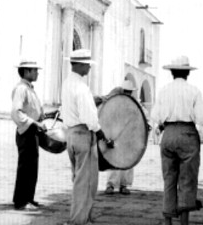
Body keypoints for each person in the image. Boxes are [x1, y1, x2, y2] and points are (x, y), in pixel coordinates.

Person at [151, 55, 203, 225]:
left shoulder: (164, 90)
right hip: (187, 134)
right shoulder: (193, 90)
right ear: (187, 73)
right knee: (187, 180)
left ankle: (168, 220)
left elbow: (155, 115)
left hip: (168, 134)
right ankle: (184, 222)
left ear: (172, 73)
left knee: (169, 178)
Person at [61, 49, 114, 225]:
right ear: (81, 65)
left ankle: (82, 217)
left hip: (71, 134)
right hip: (84, 135)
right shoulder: (82, 87)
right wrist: (101, 134)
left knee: (78, 179)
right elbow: (89, 118)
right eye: (88, 65)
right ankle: (78, 220)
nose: (89, 68)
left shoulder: (68, 83)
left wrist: (96, 99)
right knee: (87, 181)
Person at [11, 59, 47, 210]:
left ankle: (28, 198)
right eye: (34, 70)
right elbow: (16, 112)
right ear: (26, 71)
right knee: (25, 167)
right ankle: (20, 201)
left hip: (32, 131)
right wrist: (35, 123)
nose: (37, 73)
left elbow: (31, 110)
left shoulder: (29, 89)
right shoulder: (21, 89)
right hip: (26, 132)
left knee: (32, 167)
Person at [104, 79, 144, 196]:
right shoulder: (114, 100)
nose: (128, 93)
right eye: (126, 91)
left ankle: (123, 185)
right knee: (113, 159)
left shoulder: (133, 103)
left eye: (129, 92)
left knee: (127, 160)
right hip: (115, 133)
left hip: (128, 135)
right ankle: (110, 184)